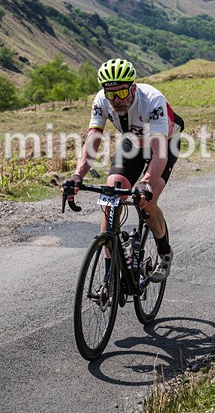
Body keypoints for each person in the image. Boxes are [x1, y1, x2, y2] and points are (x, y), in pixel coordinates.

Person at [65, 59, 184, 282]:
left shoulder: (153, 100)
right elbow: (92, 141)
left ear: (133, 88)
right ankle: (110, 274)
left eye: (121, 92)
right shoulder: (102, 100)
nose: (117, 100)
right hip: (133, 141)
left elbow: (159, 153)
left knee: (147, 201)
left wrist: (146, 182)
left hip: (165, 143)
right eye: (111, 94)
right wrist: (77, 176)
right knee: (111, 196)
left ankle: (164, 251)